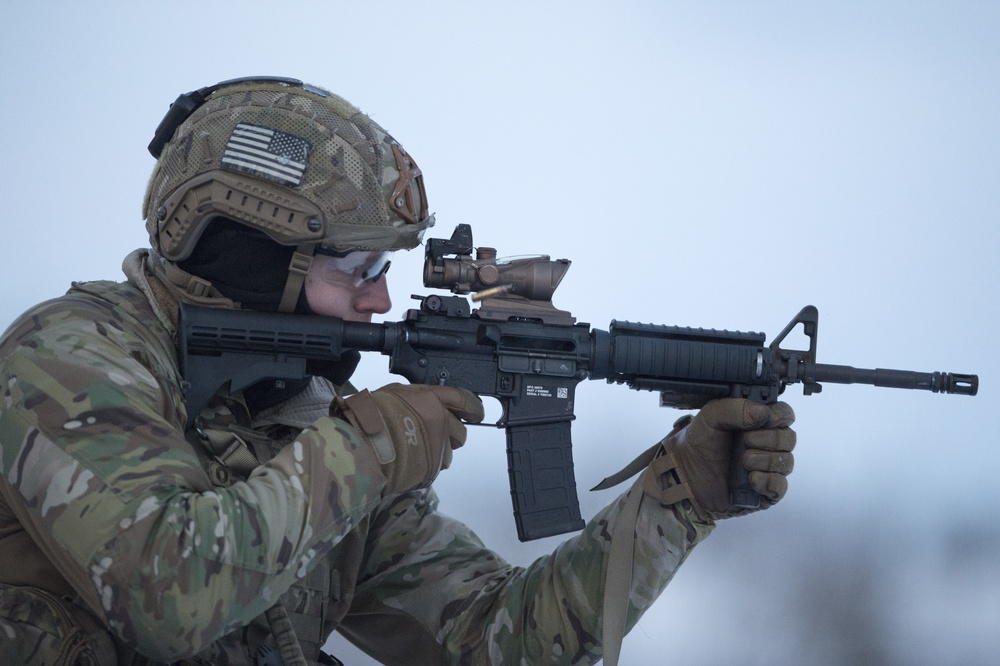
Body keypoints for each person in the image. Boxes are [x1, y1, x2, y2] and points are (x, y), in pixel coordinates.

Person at [0, 77, 796, 665]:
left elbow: (500, 642)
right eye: (355, 264)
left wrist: (680, 496)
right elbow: (164, 595)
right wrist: (366, 452)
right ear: (256, 252)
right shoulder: (74, 355)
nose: (381, 296)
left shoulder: (306, 421)